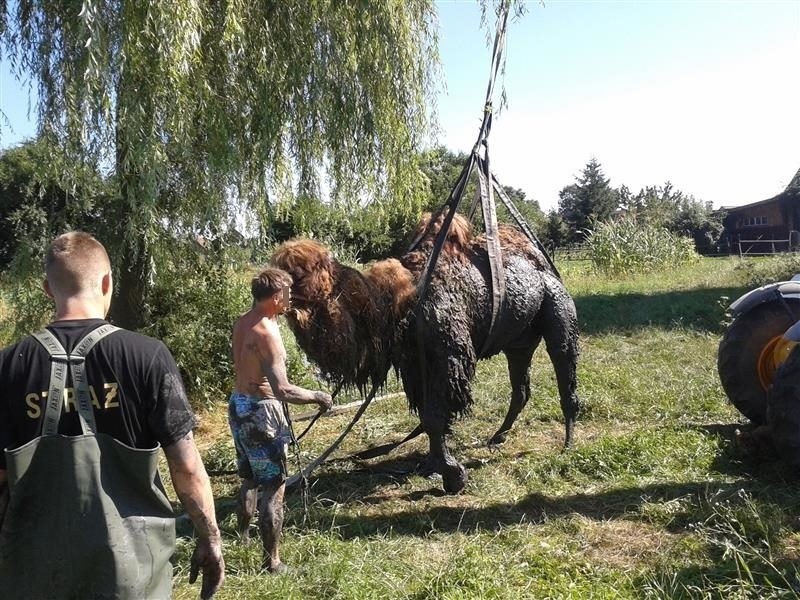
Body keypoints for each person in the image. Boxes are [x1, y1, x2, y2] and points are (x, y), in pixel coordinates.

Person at [0, 231, 224, 599]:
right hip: (131, 573)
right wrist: (210, 538)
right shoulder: (147, 356)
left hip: (34, 575)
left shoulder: (8, 366)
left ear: (46, 288)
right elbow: (186, 467)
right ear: (107, 283)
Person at [230, 267, 332, 573]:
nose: (290, 298)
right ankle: (271, 562)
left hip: (238, 406)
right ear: (276, 297)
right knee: (274, 487)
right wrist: (318, 396)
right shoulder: (267, 332)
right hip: (262, 414)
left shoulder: (243, 322)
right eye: (287, 293)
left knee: (249, 478)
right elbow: (283, 389)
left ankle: (244, 538)